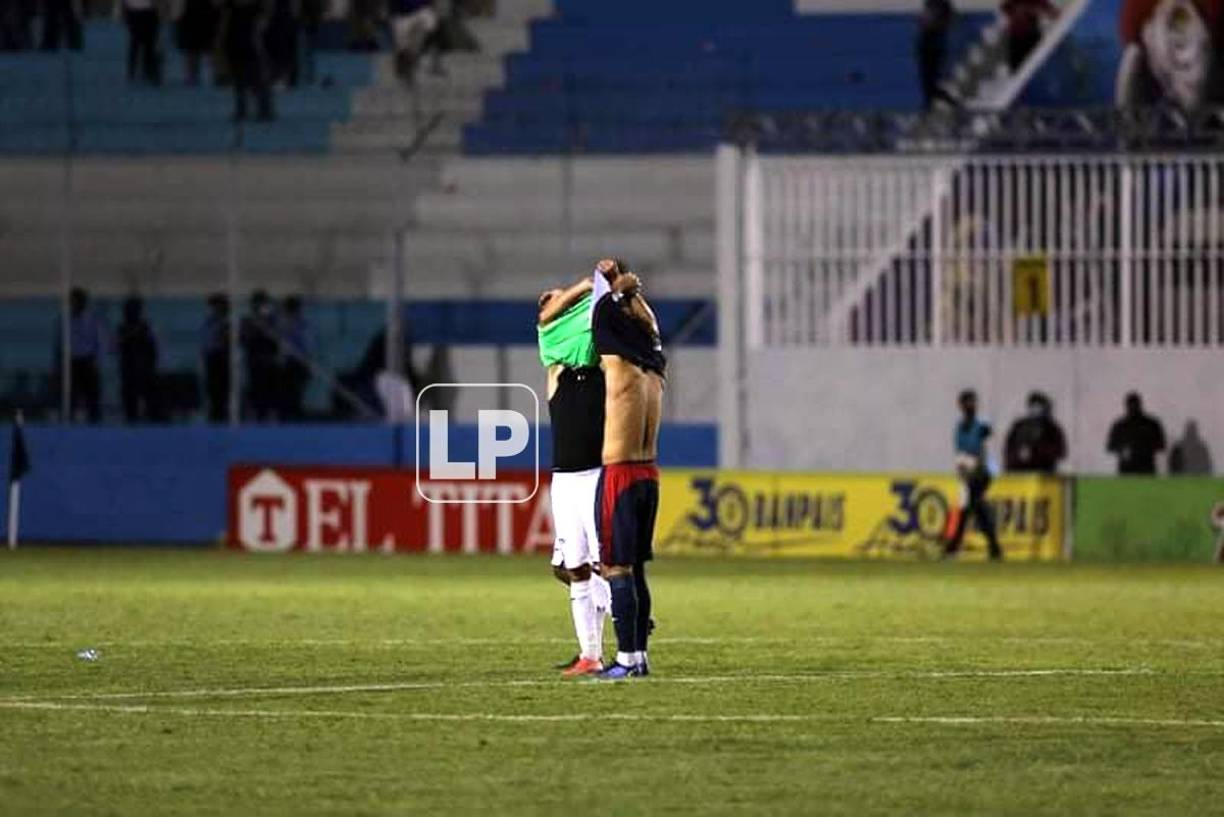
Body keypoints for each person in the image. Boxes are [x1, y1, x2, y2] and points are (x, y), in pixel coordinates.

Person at [589, 258, 666, 681]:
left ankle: (626, 658)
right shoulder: (654, 368)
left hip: (619, 474)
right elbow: (651, 328)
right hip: (648, 474)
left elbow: (598, 311)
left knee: (615, 567)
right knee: (635, 567)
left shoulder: (617, 367)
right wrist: (633, 293)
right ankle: (639, 657)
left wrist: (611, 284)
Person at [537, 276, 612, 678]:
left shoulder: (602, 368)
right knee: (574, 567)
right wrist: (582, 287)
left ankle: (631, 627)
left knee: (604, 563)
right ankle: (591, 655)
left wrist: (597, 293)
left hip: (598, 475)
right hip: (565, 479)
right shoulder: (555, 368)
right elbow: (546, 317)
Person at [945, 389, 1003, 560]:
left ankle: (954, 547)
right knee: (975, 509)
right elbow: (960, 450)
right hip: (967, 472)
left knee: (969, 508)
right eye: (968, 402)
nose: (971, 405)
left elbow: (985, 440)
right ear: (961, 405)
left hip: (981, 472)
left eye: (973, 402)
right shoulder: (960, 427)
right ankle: (994, 548)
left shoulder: (981, 425)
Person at [223, 0, 275, 121]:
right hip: (236, 41)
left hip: (248, 42)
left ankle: (262, 110)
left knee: (255, 78)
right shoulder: (233, 7)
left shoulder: (257, 7)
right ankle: (246, 109)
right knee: (240, 79)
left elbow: (264, 19)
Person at [63, 288, 107, 424]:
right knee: (71, 394)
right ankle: (70, 420)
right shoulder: (66, 320)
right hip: (72, 361)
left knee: (92, 395)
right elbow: (61, 342)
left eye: (76, 301)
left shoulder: (93, 319)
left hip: (88, 360)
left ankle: (94, 420)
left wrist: (98, 361)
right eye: (72, 301)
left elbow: (100, 341)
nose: (73, 304)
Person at [116, 296, 160, 423]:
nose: (131, 312)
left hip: (144, 367)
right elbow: (119, 344)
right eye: (129, 309)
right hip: (128, 368)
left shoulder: (145, 326)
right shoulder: (122, 327)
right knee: (130, 398)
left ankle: (152, 418)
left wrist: (151, 364)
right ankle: (131, 418)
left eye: (134, 309)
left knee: (149, 396)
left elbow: (152, 346)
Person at [1003, 391, 1067, 474]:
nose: (1036, 410)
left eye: (1039, 407)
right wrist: (1018, 455)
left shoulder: (1051, 428)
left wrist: (1036, 451)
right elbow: (1008, 449)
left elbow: (1060, 451)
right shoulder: (1019, 426)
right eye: (1034, 406)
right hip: (1017, 474)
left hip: (1042, 474)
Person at [240, 290, 280, 421]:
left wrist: (267, 322)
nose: (260, 306)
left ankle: (270, 414)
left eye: (263, 303)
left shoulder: (273, 320)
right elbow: (243, 338)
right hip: (255, 360)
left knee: (270, 390)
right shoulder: (247, 320)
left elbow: (277, 339)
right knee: (257, 388)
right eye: (257, 303)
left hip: (270, 360)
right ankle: (257, 414)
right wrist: (255, 328)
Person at [1107, 392, 1167, 475]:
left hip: (1143, 469)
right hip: (1132, 470)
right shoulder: (1152, 424)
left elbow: (1161, 446)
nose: (1133, 407)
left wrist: (1140, 449)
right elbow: (1110, 447)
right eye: (1131, 405)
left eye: (1134, 405)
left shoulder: (1120, 425)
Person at [916, 0, 959, 109]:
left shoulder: (944, 5)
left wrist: (935, 24)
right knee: (926, 80)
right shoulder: (929, 4)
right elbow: (923, 21)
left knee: (932, 79)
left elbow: (948, 21)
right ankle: (932, 102)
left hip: (935, 44)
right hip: (925, 44)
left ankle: (947, 101)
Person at [278, 295, 312, 420]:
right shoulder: (284, 323)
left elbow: (306, 345)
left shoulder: (300, 324)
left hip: (297, 361)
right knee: (287, 392)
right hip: (289, 362)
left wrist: (307, 362)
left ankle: (294, 415)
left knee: (295, 392)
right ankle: (289, 414)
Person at [388, 0, 438, 85]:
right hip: (400, 16)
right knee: (403, 48)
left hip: (420, 12)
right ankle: (405, 66)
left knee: (428, 22)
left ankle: (412, 62)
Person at [1001, 0, 1056, 71]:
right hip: (1017, 38)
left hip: (1032, 35)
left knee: (1038, 63)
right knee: (1018, 70)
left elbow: (1050, 11)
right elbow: (1005, 8)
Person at [201, 293, 231, 423]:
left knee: (222, 394)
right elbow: (206, 343)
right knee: (213, 393)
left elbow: (225, 341)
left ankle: (222, 417)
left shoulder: (226, 324)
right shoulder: (209, 322)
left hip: (222, 360)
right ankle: (214, 417)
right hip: (212, 360)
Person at [175, 0, 217, 86]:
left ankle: (211, 74)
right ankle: (193, 75)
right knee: (193, 49)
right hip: (193, 16)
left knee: (201, 49)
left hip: (203, 15)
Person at [123, 0, 162, 85]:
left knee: (141, 42)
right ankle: (143, 70)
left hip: (140, 10)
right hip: (143, 10)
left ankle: (139, 70)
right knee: (144, 42)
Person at [264, 0, 298, 87]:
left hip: (280, 25)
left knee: (282, 53)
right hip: (282, 25)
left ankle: (283, 78)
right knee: (284, 53)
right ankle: (286, 78)